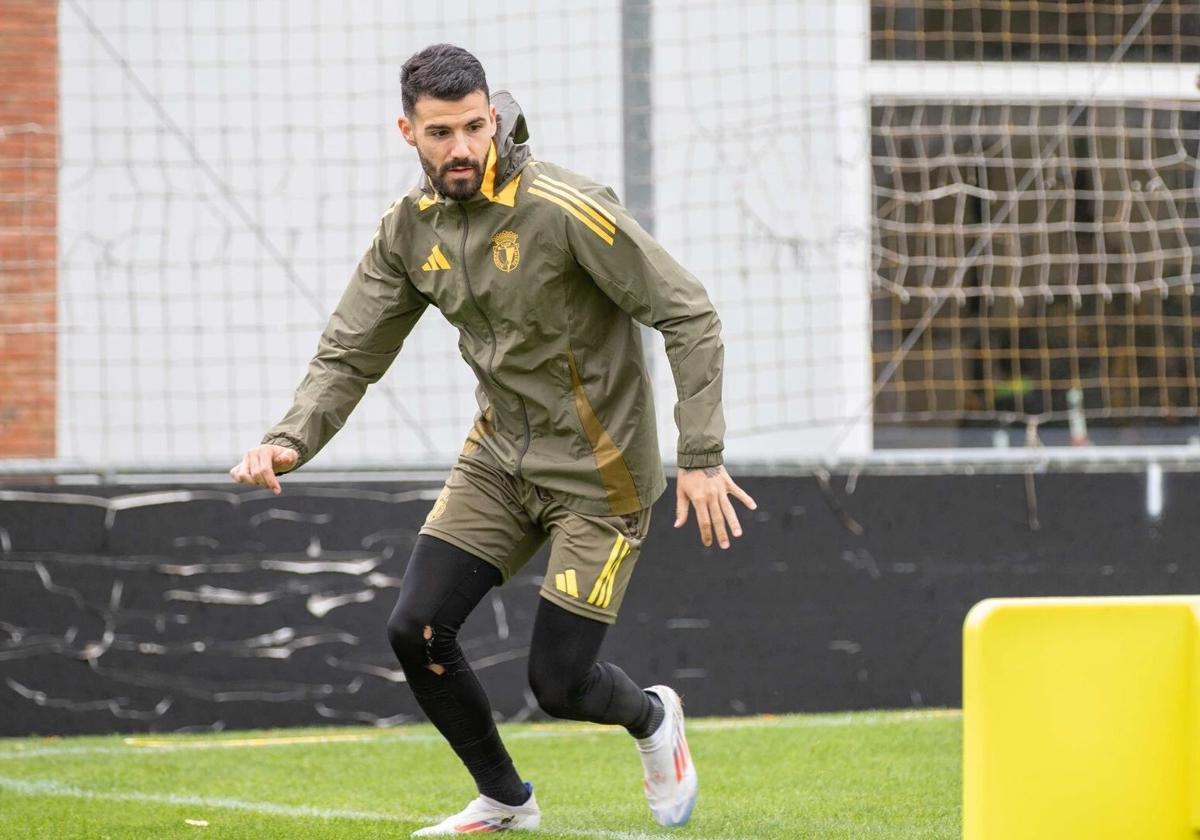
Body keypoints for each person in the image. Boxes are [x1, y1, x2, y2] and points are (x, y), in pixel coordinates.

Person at [229, 43, 756, 835]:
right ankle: (507, 801)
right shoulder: (408, 230)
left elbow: (688, 312)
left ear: (492, 117)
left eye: (475, 127)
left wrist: (702, 456)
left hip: (599, 476)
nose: (463, 148)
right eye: (441, 133)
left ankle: (652, 719)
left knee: (559, 684)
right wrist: (289, 439)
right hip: (500, 461)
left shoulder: (564, 208)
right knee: (416, 629)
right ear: (407, 131)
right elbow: (350, 350)